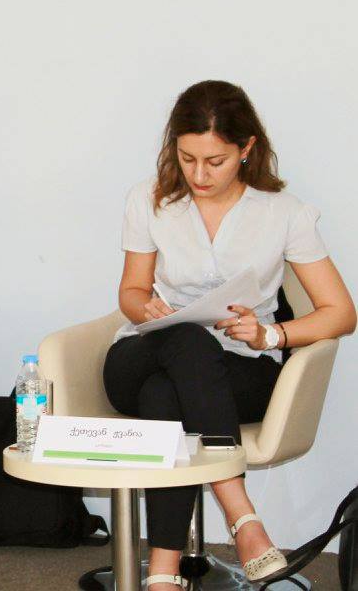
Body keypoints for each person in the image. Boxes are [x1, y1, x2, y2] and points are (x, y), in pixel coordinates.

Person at [105, 80, 355, 590]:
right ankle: (242, 514)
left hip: (239, 369)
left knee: (165, 396)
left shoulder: (284, 214)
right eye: (187, 158)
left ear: (246, 149)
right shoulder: (148, 200)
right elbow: (130, 290)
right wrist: (146, 306)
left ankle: (163, 571)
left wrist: (270, 335)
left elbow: (341, 313)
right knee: (185, 340)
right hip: (144, 354)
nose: (199, 175)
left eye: (214, 161)